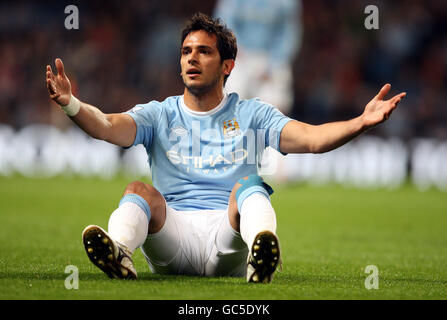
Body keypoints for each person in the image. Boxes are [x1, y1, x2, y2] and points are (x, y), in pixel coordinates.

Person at [45, 13, 406, 283]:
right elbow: (107, 126)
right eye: (187, 51)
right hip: (171, 238)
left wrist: (360, 121)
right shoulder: (159, 114)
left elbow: (311, 140)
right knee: (138, 190)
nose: (191, 58)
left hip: (227, 240)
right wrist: (71, 104)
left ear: (227, 65)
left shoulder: (253, 114)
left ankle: (260, 254)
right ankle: (119, 252)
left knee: (249, 185)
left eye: (204, 52)